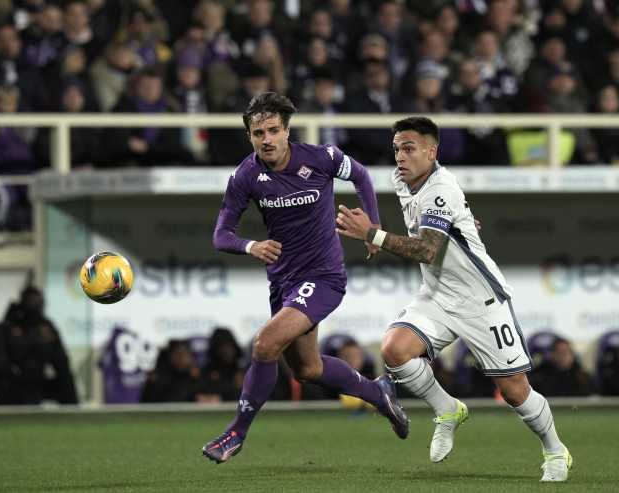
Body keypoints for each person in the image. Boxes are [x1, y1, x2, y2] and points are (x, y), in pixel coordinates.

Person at [335, 116, 572, 482]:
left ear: (432, 152)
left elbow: (429, 250)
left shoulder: (441, 186)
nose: (400, 156)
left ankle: (555, 450)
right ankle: (447, 409)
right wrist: (461, 220)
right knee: (395, 350)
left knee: (514, 391)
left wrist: (373, 234)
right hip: (437, 295)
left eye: (409, 148)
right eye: (397, 148)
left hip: (480, 299)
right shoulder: (403, 181)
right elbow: (440, 227)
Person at [202, 92, 409, 464]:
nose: (266, 139)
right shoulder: (246, 175)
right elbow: (221, 235)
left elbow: (361, 174)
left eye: (273, 130)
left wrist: (373, 226)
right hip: (284, 282)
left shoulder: (321, 158)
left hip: (324, 276)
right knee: (308, 369)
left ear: (286, 131)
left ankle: (235, 433)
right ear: (250, 136)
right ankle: (379, 394)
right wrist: (251, 246)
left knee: (265, 344)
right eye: (257, 133)